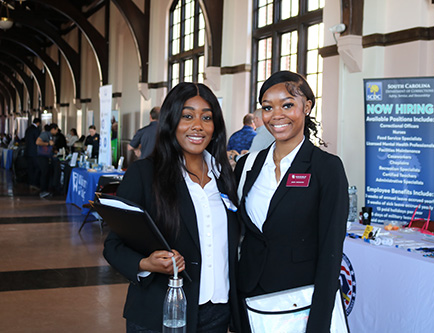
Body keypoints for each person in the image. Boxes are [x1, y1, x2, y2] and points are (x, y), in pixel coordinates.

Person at [103, 82, 241, 333]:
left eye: (207, 118)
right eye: (187, 116)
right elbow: (113, 246)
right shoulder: (144, 174)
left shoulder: (225, 178)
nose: (198, 125)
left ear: (215, 126)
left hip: (217, 314)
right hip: (162, 313)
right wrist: (146, 263)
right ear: (170, 121)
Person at [234, 71, 349, 332]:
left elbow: (331, 250)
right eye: (267, 107)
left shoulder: (326, 168)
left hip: (298, 302)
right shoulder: (247, 166)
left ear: (306, 106)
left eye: (287, 104)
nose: (277, 115)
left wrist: (319, 320)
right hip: (249, 295)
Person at [36, 123, 59, 198]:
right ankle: (43, 191)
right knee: (44, 173)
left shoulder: (51, 136)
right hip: (42, 157)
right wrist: (48, 143)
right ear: (53, 129)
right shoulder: (45, 134)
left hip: (47, 156)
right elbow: (38, 142)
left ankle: (46, 190)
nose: (57, 131)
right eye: (57, 130)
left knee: (47, 173)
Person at [24, 117, 42, 190]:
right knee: (37, 167)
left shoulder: (28, 129)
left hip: (27, 152)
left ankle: (29, 182)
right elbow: (38, 141)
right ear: (38, 123)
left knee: (30, 168)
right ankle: (34, 183)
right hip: (34, 152)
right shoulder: (36, 130)